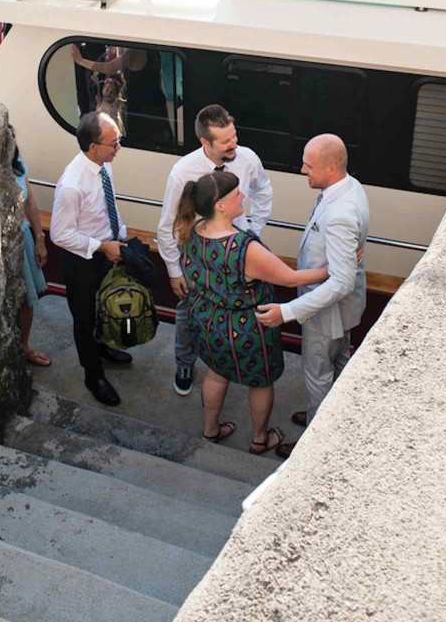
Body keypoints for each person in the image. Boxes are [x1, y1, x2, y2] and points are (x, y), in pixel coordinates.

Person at [174, 170, 329, 454]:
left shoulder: (193, 229)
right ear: (220, 205)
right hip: (247, 328)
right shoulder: (244, 248)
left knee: (216, 374)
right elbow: (291, 279)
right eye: (236, 194)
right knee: (260, 382)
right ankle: (260, 438)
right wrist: (337, 269)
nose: (242, 195)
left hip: (206, 321)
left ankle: (211, 431)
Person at [256, 134, 369, 459]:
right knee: (337, 362)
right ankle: (326, 414)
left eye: (309, 165)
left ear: (331, 168)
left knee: (318, 374)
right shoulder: (351, 187)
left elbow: (341, 282)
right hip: (344, 311)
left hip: (325, 313)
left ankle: (313, 446)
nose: (303, 169)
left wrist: (288, 311)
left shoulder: (339, 214)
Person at [158, 104, 273, 396]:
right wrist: (174, 271)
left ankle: (233, 362)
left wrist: (254, 230)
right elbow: (167, 225)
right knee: (188, 311)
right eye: (226, 141)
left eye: (234, 136)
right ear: (205, 143)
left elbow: (264, 190)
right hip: (200, 255)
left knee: (242, 309)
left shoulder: (247, 159)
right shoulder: (183, 172)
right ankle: (184, 362)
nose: (234, 143)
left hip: (239, 251)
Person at [49, 111, 132, 407]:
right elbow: (60, 234)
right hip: (82, 260)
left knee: (106, 307)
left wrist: (119, 236)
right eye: (114, 143)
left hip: (106, 248)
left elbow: (108, 204)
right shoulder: (72, 184)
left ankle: (105, 348)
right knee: (83, 318)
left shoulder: (103, 165)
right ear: (93, 147)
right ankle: (92, 374)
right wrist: (101, 246)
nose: (118, 148)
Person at [71, 45, 173, 143]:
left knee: (143, 140)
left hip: (142, 106)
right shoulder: (154, 52)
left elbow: (108, 68)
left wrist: (81, 61)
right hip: (157, 102)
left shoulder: (133, 53)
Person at [11, 141, 51, 368]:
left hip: (23, 235)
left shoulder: (17, 165)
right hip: (6, 240)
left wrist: (40, 240)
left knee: (28, 299)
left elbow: (31, 203)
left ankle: (24, 346)